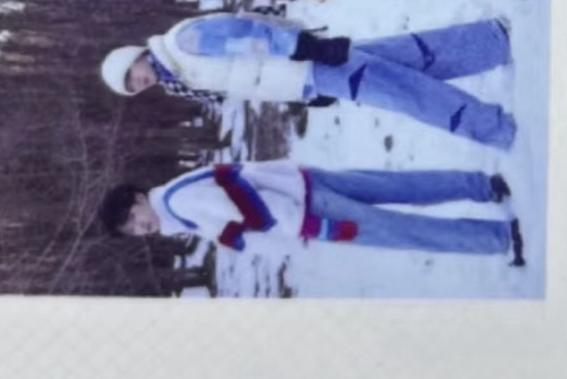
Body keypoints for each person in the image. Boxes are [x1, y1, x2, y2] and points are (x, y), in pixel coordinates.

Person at [99, 14, 516, 149]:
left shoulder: (181, 44)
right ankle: (488, 41)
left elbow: (249, 35)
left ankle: (491, 126)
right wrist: (302, 95)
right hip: (305, 77)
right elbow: (250, 78)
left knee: (403, 93)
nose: (140, 81)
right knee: (400, 60)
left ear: (137, 56)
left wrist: (305, 47)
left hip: (307, 63)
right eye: (133, 87)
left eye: (133, 74)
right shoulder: (180, 73)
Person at [100, 160, 525, 264]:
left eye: (134, 218)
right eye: (132, 231)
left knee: (399, 231)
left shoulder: (178, 205)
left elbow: (246, 202)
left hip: (307, 209)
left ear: (139, 198)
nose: (141, 227)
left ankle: (499, 238)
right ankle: (483, 185)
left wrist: (301, 226)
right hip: (302, 184)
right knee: (394, 186)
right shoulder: (174, 199)